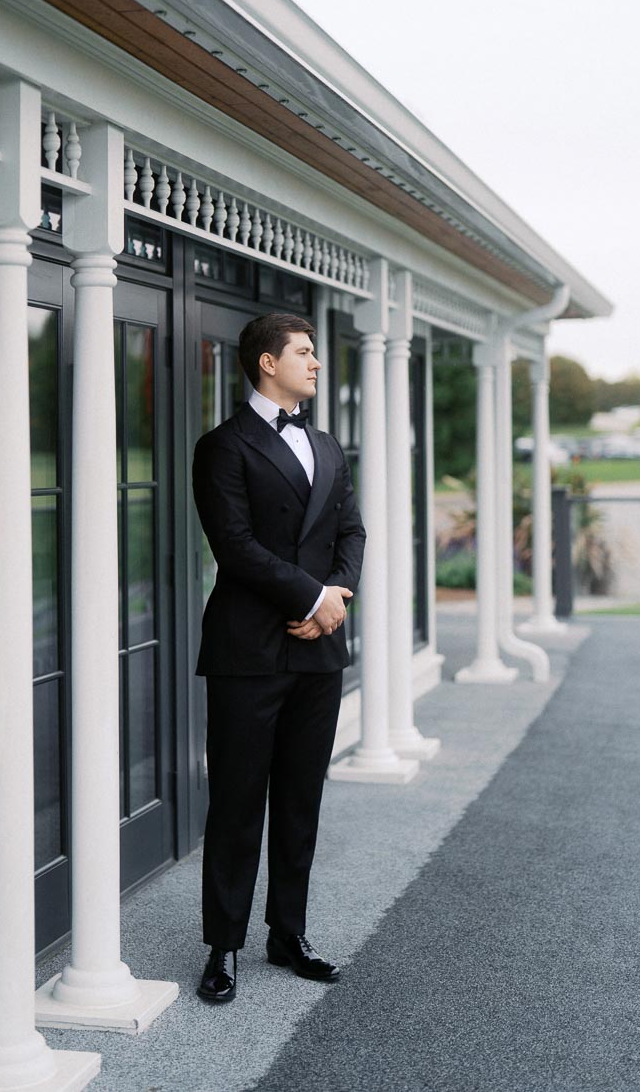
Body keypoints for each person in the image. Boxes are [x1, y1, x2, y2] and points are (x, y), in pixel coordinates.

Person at [192, 312, 365, 1004]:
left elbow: (350, 526)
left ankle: (287, 934)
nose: (315, 363)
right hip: (248, 651)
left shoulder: (326, 444)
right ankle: (222, 946)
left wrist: (336, 599)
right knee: (237, 801)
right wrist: (310, 596)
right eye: (304, 352)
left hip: (318, 651)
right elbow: (234, 545)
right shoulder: (222, 447)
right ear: (267, 363)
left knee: (302, 800)